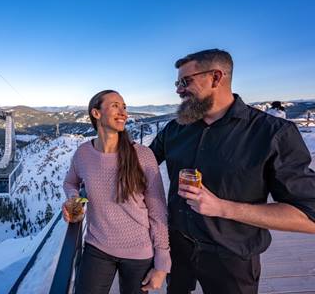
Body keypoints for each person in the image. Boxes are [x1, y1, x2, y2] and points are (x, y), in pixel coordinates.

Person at [150, 49, 315, 294]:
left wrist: (223, 208)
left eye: (185, 81)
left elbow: (309, 216)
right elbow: (138, 165)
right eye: (177, 82)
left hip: (232, 259)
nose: (178, 90)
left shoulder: (272, 133)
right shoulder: (175, 129)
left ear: (216, 77)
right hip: (177, 250)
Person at [63, 90, 171, 294]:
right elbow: (70, 182)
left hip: (139, 253)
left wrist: (162, 263)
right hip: (97, 248)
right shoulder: (83, 153)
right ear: (96, 113)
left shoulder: (143, 156)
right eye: (115, 106)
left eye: (124, 107)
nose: (123, 112)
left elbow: (158, 211)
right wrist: (73, 198)